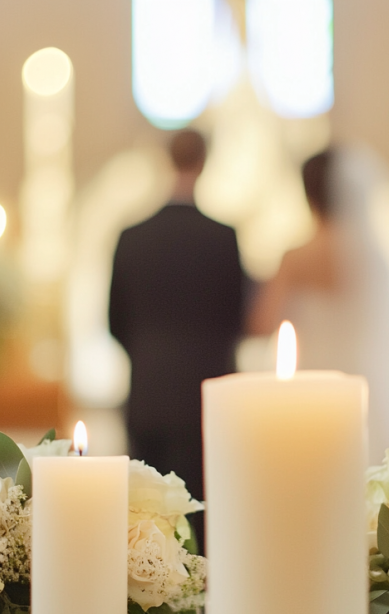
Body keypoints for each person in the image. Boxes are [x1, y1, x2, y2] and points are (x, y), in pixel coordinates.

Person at [250, 148, 389, 461]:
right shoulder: (379, 258)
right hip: (369, 379)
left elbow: (262, 324)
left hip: (313, 384)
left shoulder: (298, 256)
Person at [108, 130, 245, 550]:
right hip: (208, 396)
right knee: (203, 512)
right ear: (204, 163)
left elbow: (113, 320)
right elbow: (237, 316)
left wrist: (150, 357)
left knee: (148, 518)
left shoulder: (132, 236)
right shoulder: (223, 238)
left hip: (149, 393)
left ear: (167, 161)